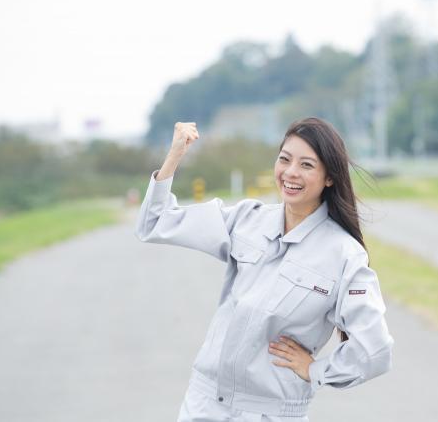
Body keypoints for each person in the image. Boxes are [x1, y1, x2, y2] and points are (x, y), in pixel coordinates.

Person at [135, 117, 394, 421]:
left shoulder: (344, 255)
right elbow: (156, 223)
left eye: (307, 165)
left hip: (270, 413)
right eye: (285, 159)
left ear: (329, 177)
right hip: (203, 406)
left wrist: (315, 370)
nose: (291, 172)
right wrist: (176, 154)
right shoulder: (246, 219)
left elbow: (374, 350)